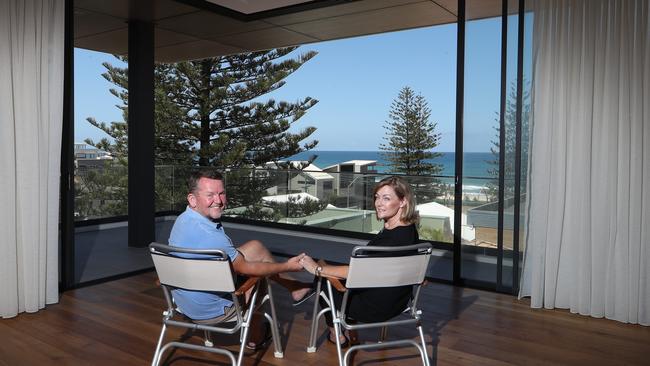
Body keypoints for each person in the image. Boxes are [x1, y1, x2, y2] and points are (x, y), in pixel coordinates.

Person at [168, 169, 314, 349]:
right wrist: (286, 266)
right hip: (212, 310)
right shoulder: (212, 237)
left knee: (255, 247)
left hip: (184, 302)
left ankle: (293, 287)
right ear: (192, 199)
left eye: (221, 193)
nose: (219, 200)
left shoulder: (182, 221)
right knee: (259, 279)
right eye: (210, 195)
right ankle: (255, 336)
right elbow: (246, 269)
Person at [299, 176, 420, 347]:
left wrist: (316, 269)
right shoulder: (409, 231)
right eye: (377, 197)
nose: (379, 203)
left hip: (373, 307)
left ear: (402, 202)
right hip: (398, 303)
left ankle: (336, 334)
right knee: (327, 264)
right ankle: (305, 289)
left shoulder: (389, 242)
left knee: (323, 279)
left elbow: (355, 272)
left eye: (386, 198)